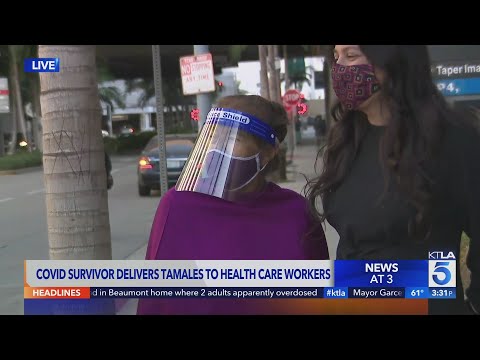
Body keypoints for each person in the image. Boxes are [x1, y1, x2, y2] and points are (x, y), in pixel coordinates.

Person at [305, 45, 480, 315]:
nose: (340, 69)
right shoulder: (346, 141)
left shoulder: (453, 141)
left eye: (352, 56)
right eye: (336, 58)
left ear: (394, 58)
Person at [137, 94, 329, 315]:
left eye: (232, 140)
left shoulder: (295, 212)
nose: (217, 149)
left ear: (267, 154)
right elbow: (154, 297)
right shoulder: (178, 205)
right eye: (213, 138)